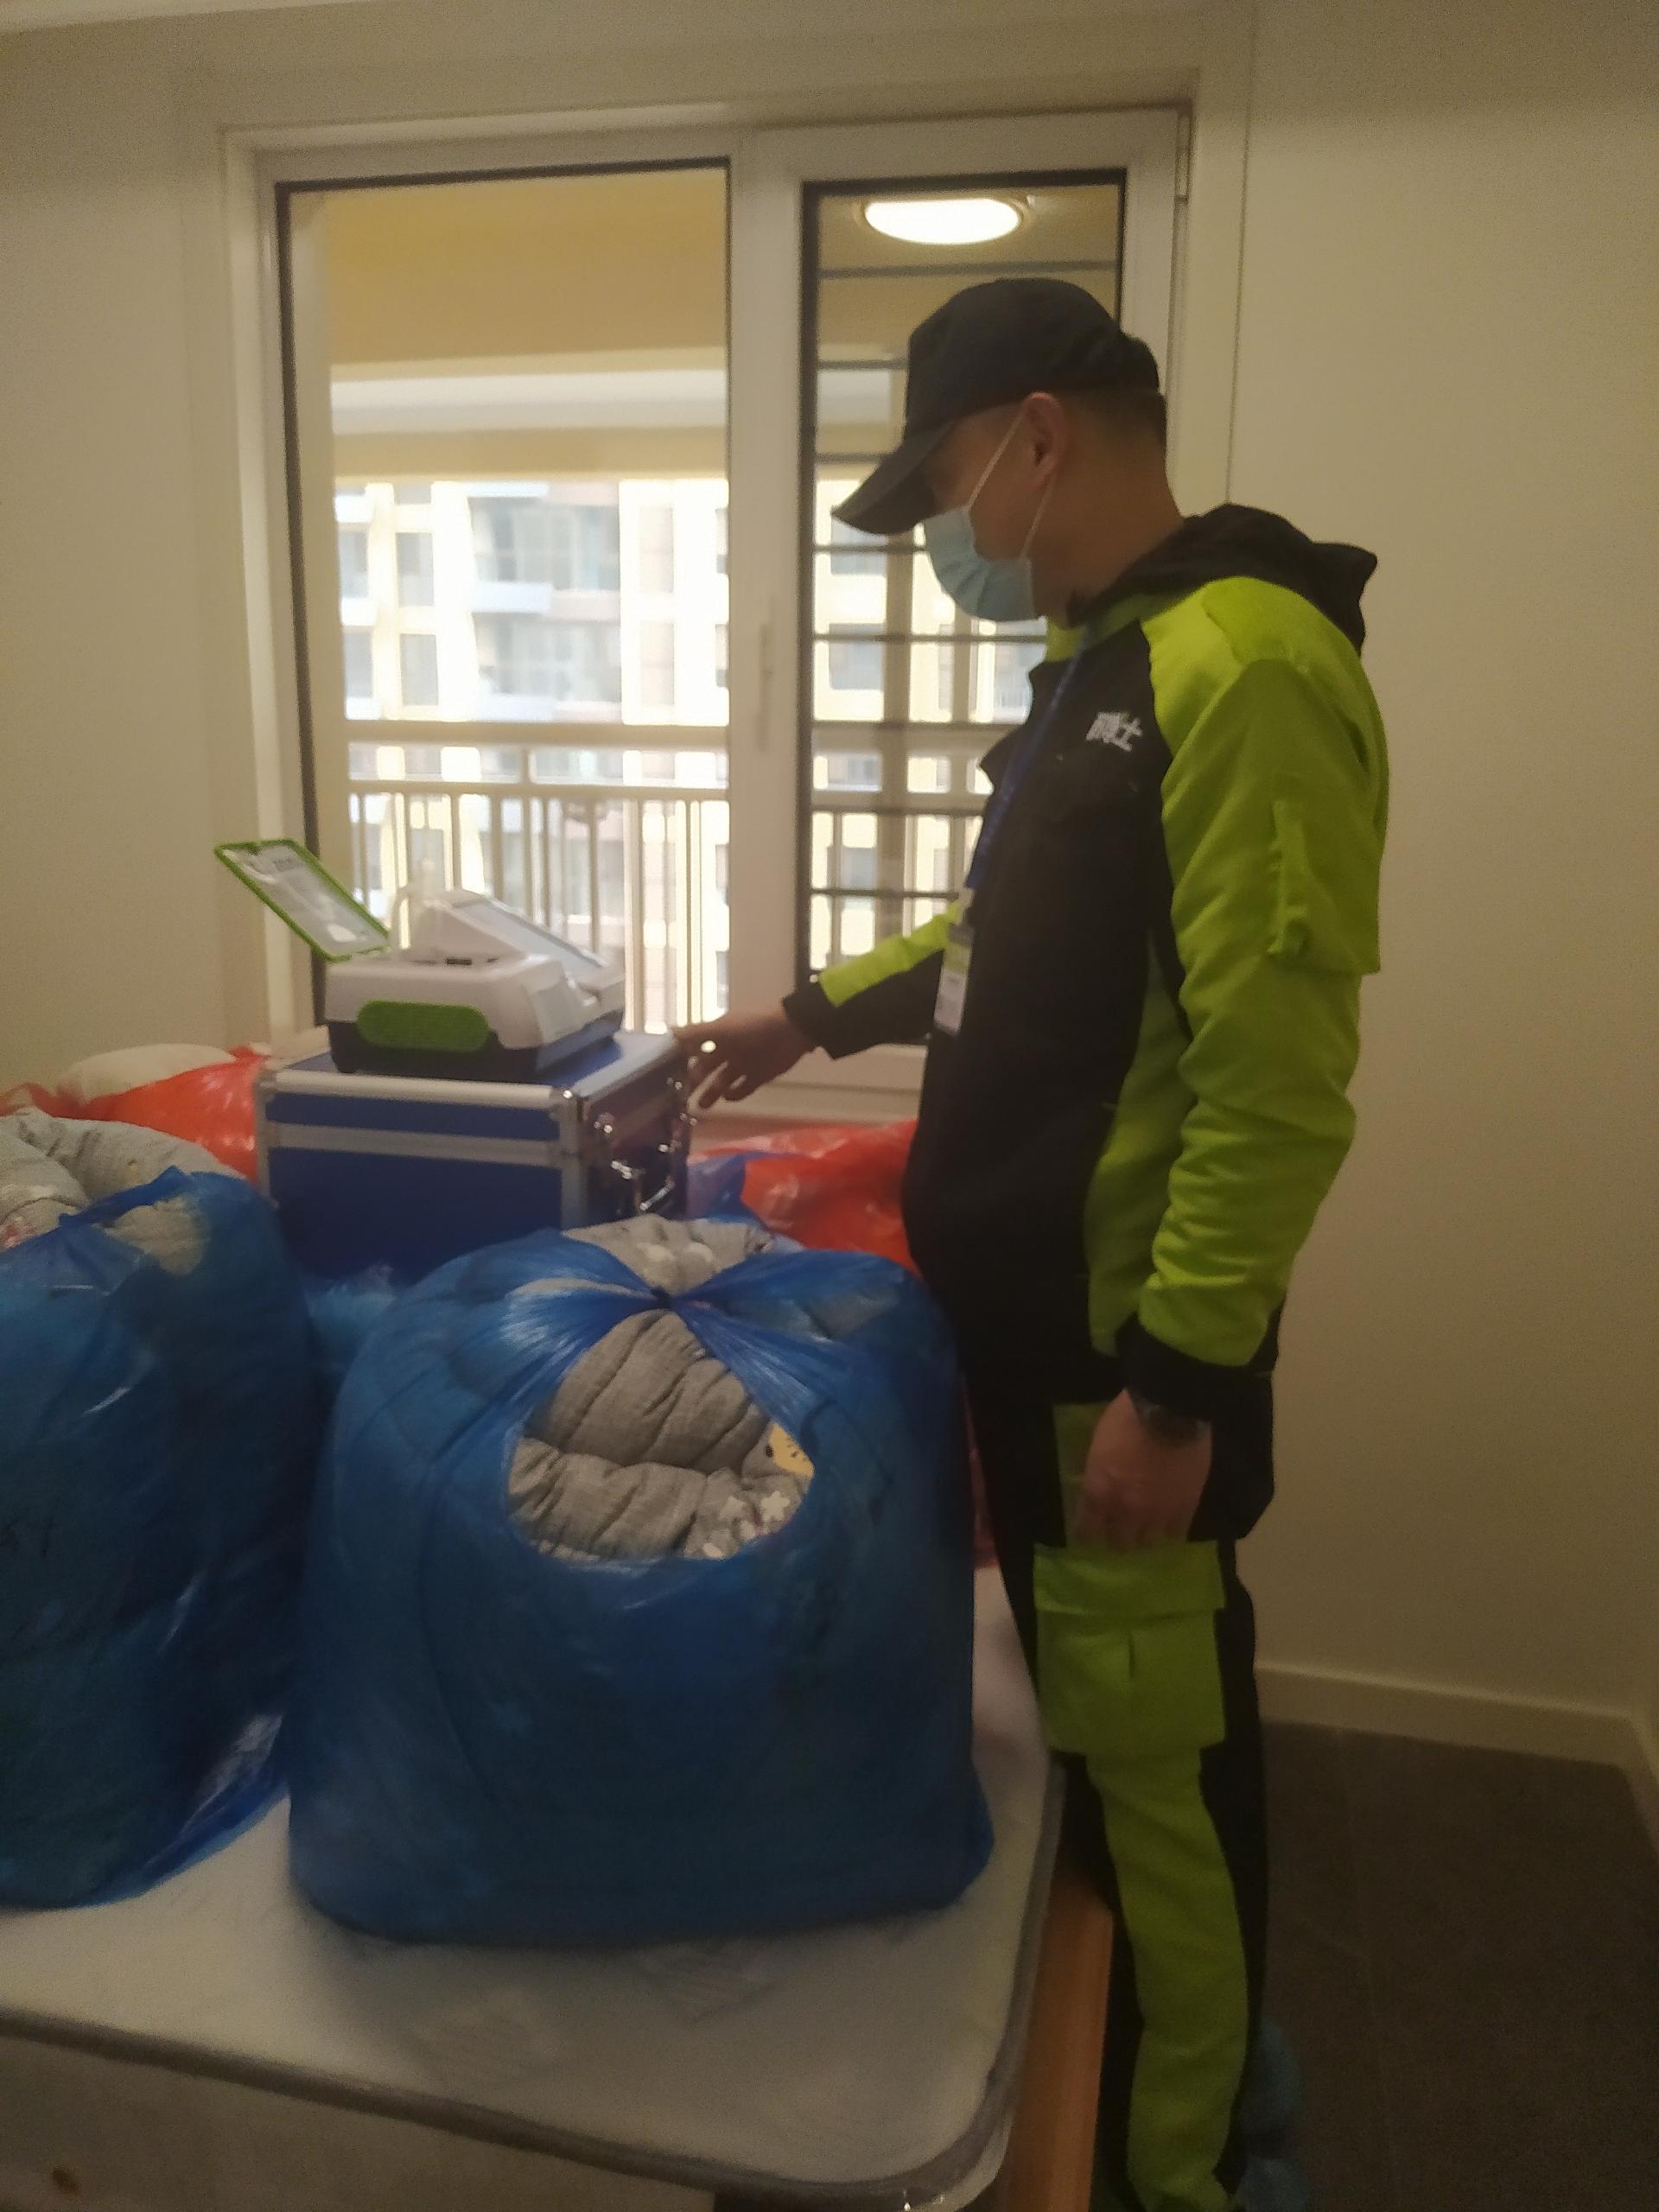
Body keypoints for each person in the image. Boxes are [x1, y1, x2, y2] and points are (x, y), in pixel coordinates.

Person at [680, 277, 1387, 2212]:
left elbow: (1273, 1084)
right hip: (1037, 1335)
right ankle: (1191, 2048)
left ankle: (1185, 2160)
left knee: (1161, 1763)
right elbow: (998, 949)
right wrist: (808, 1014)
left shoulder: (1244, 666)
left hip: (1117, 1359)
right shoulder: (1101, 663)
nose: (949, 536)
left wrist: (1177, 1388)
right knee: (1113, 1732)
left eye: (946, 487)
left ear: (1041, 435)